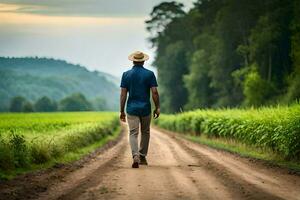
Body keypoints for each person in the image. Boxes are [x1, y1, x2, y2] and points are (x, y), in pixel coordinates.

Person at [120, 51, 160, 168]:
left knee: (133, 133)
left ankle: (135, 156)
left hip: (131, 108)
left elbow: (123, 95)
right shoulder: (149, 74)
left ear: (133, 61)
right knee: (145, 132)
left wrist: (121, 111)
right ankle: (142, 156)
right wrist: (157, 107)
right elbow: (155, 92)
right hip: (145, 108)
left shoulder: (126, 75)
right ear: (143, 61)